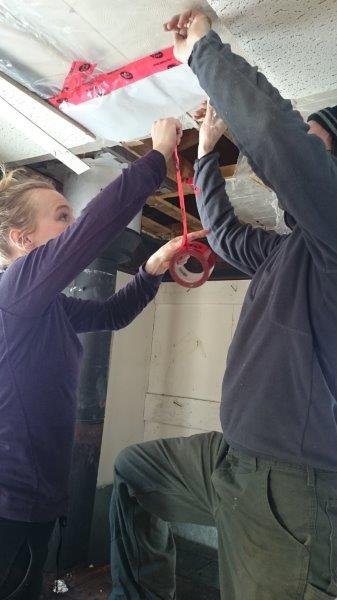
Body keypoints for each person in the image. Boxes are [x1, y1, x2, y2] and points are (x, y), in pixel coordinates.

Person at [109, 10, 337, 600]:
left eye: (317, 147)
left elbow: (278, 139)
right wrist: (207, 154)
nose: (284, 170)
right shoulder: (293, 253)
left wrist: (206, 51)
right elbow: (228, 237)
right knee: (135, 475)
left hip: (294, 488)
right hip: (232, 459)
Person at [0, 115, 207, 600]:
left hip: (38, 497)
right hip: (8, 501)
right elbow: (94, 230)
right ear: (21, 239)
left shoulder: (43, 305)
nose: (74, 223)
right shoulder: (15, 290)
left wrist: (152, 270)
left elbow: (111, 314)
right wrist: (156, 158)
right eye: (62, 216)